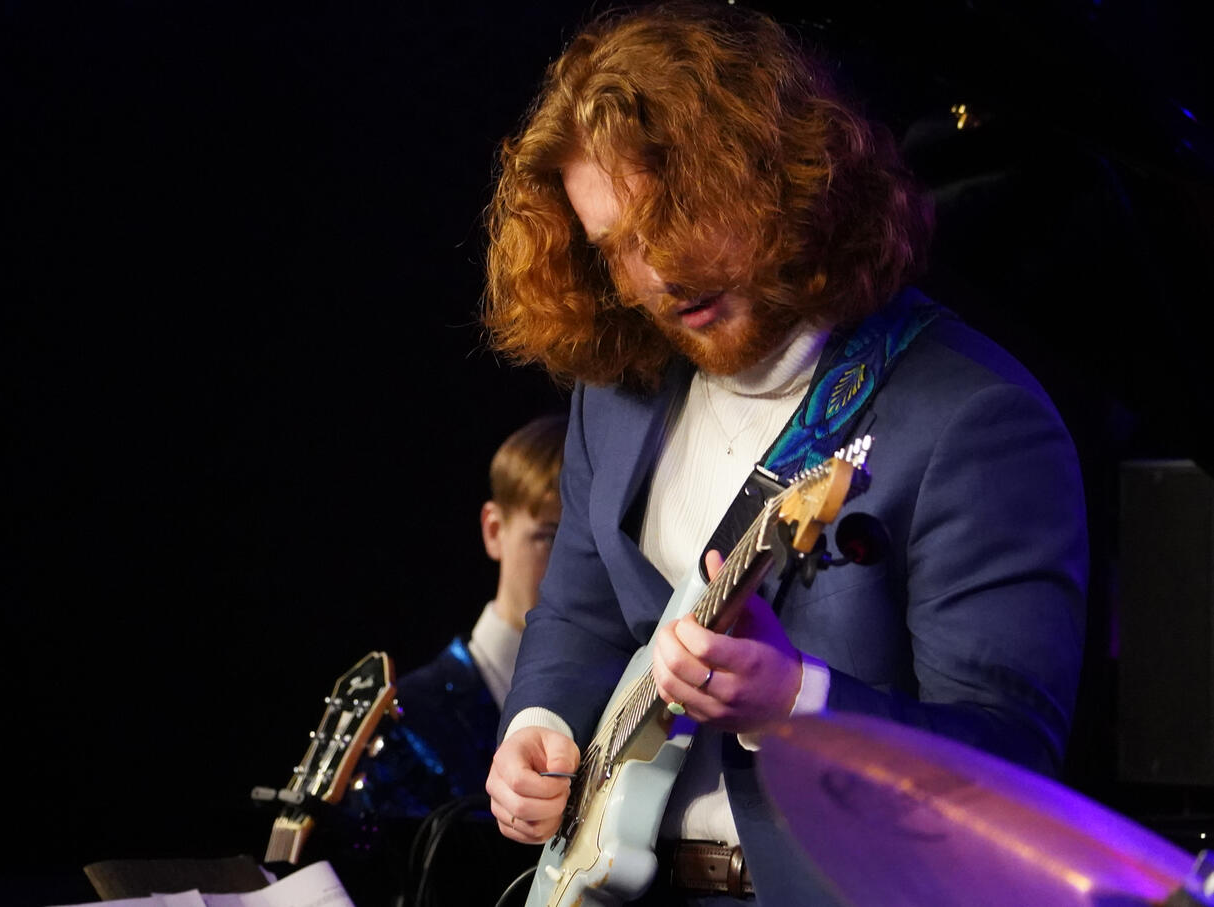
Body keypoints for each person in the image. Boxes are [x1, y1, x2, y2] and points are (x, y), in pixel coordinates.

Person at [481, 4, 1087, 904]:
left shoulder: (974, 420)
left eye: (674, 219)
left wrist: (796, 701)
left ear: (775, 175)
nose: (654, 278)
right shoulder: (615, 393)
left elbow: (1012, 767)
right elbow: (578, 616)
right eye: (617, 248)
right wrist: (536, 725)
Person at [360, 412, 568, 817]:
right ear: (494, 530)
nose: (575, 569)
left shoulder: (627, 691)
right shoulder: (406, 720)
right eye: (550, 536)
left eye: (594, 548)